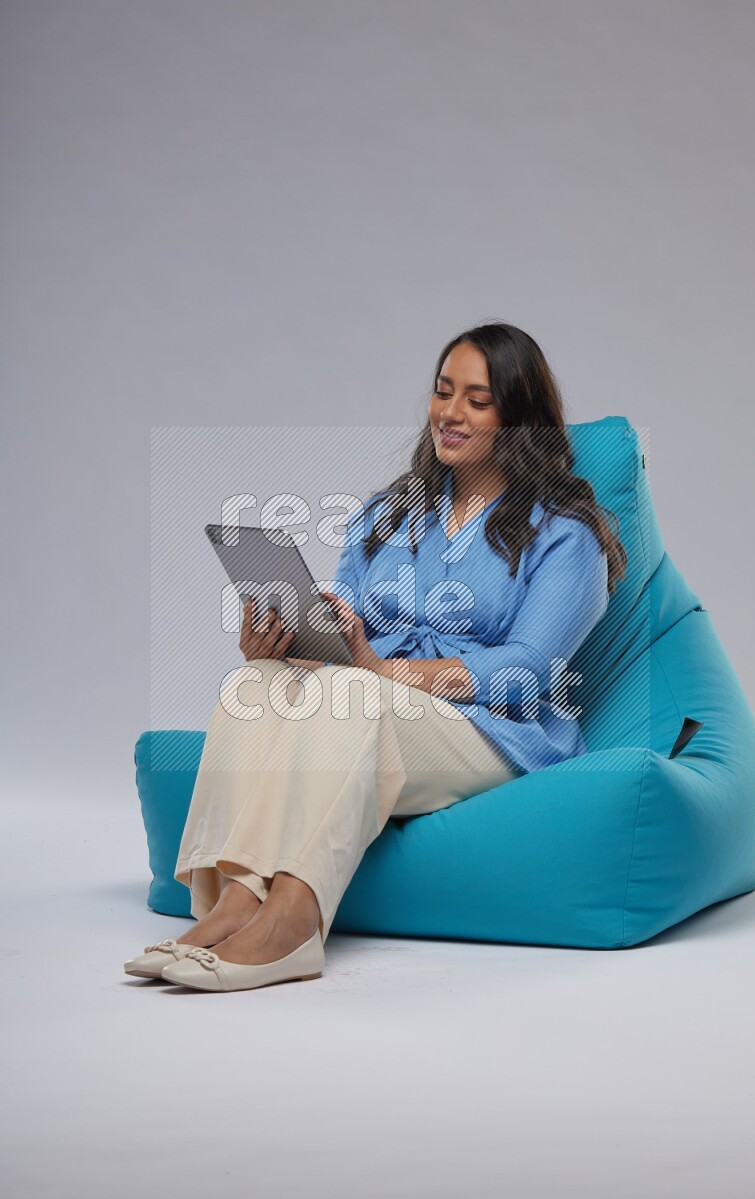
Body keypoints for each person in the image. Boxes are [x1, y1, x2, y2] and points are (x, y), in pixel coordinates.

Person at [124, 322, 626, 992]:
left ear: (518, 418)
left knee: (352, 693)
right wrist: (290, 642)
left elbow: (526, 669)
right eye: (443, 391)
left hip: (490, 730)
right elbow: (346, 633)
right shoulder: (385, 514)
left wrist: (380, 671)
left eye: (476, 400)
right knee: (258, 684)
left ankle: (293, 924)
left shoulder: (566, 535)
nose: (449, 412)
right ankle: (231, 903)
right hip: (364, 707)